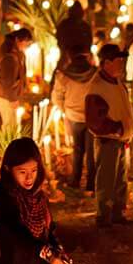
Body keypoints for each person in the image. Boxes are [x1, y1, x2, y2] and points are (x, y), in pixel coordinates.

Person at [84, 44, 133, 227]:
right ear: (106, 63)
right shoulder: (98, 86)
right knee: (107, 179)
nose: (121, 64)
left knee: (120, 179)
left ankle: (117, 213)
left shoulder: (115, 82)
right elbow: (95, 120)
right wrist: (117, 129)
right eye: (118, 60)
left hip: (120, 140)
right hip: (109, 140)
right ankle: (104, 215)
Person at [52, 46, 97, 190]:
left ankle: (75, 180)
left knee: (77, 149)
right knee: (91, 152)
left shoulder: (64, 76)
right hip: (91, 117)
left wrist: (64, 109)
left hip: (73, 116)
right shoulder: (95, 74)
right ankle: (91, 183)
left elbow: (56, 96)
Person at [0, 29, 33, 128]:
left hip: (8, 94)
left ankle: (12, 141)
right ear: (18, 40)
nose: (26, 46)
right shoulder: (9, 55)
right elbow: (8, 80)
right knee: (10, 124)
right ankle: (9, 142)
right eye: (26, 43)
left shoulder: (15, 51)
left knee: (13, 123)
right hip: (6, 95)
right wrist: (12, 99)